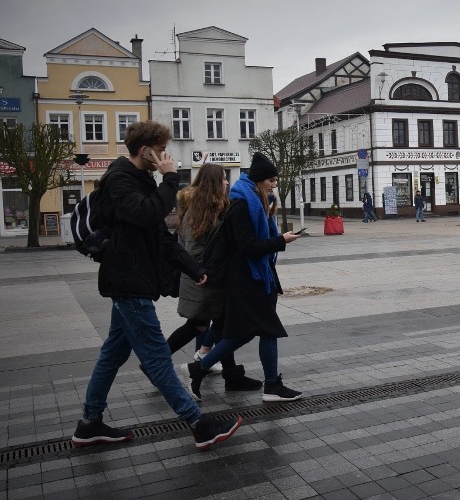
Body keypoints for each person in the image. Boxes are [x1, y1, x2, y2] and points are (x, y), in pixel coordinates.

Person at [71, 121, 242, 451]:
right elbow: (147, 215)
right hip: (128, 282)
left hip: (133, 282)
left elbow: (162, 236)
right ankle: (199, 424)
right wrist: (169, 178)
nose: (166, 155)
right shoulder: (120, 179)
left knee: (112, 355)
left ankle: (90, 424)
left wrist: (193, 268)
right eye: (161, 149)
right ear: (144, 150)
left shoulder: (141, 181)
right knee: (157, 359)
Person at [186, 152, 303, 402]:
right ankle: (271, 386)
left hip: (255, 278)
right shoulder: (242, 204)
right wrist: (281, 240)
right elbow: (248, 246)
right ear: (259, 180)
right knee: (268, 329)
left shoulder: (254, 202)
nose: (274, 185)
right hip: (247, 279)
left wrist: (277, 238)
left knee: (247, 333)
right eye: (271, 180)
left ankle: (199, 368)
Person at [163, 163, 261, 393]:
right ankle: (156, 363)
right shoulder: (203, 210)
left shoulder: (205, 207)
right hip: (203, 281)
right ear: (214, 183)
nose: (227, 182)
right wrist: (207, 273)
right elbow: (194, 250)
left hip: (202, 279)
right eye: (223, 179)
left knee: (216, 323)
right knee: (205, 324)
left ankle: (231, 375)